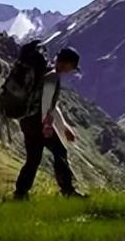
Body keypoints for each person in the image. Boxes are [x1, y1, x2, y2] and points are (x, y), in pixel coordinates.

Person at [14, 43, 86, 200]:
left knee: (33, 158)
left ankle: (20, 192)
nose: (70, 71)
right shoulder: (52, 77)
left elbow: (52, 105)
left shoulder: (45, 73)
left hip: (27, 120)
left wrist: (64, 127)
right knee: (60, 151)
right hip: (38, 123)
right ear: (66, 63)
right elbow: (47, 104)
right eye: (72, 67)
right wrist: (47, 126)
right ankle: (67, 191)